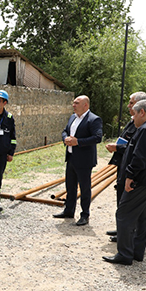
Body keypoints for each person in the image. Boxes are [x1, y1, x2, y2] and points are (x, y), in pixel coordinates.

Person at [102, 100, 146, 265]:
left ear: (142, 112)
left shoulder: (145, 130)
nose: (132, 119)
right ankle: (137, 252)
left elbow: (139, 157)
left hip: (141, 182)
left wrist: (130, 176)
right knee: (144, 217)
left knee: (124, 214)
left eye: (134, 114)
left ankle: (125, 254)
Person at [104, 91, 146, 242]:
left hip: (131, 168)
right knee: (121, 200)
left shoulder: (142, 125)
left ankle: (127, 234)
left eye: (131, 103)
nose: (128, 106)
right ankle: (121, 229)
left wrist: (117, 148)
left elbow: (134, 147)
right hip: (123, 165)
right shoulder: (132, 121)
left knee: (128, 203)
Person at [53, 95, 103, 226]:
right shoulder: (72, 117)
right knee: (70, 186)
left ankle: (85, 215)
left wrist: (78, 142)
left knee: (85, 189)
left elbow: (97, 138)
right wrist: (65, 138)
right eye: (74, 103)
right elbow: (65, 131)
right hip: (71, 158)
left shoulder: (94, 119)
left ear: (85, 105)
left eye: (76, 103)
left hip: (84, 161)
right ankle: (69, 211)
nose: (73, 105)